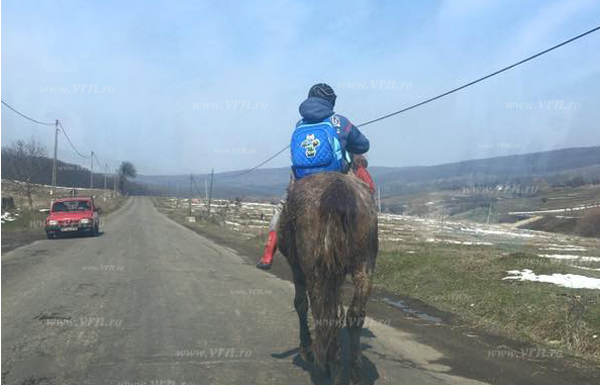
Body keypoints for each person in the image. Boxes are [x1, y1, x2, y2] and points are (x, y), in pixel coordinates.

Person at [256, 83, 370, 270]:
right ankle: (362, 258)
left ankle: (268, 255)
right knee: (362, 203)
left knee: (282, 208)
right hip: (335, 177)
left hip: (301, 181)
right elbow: (363, 145)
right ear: (331, 102)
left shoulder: (300, 124)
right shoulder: (341, 122)